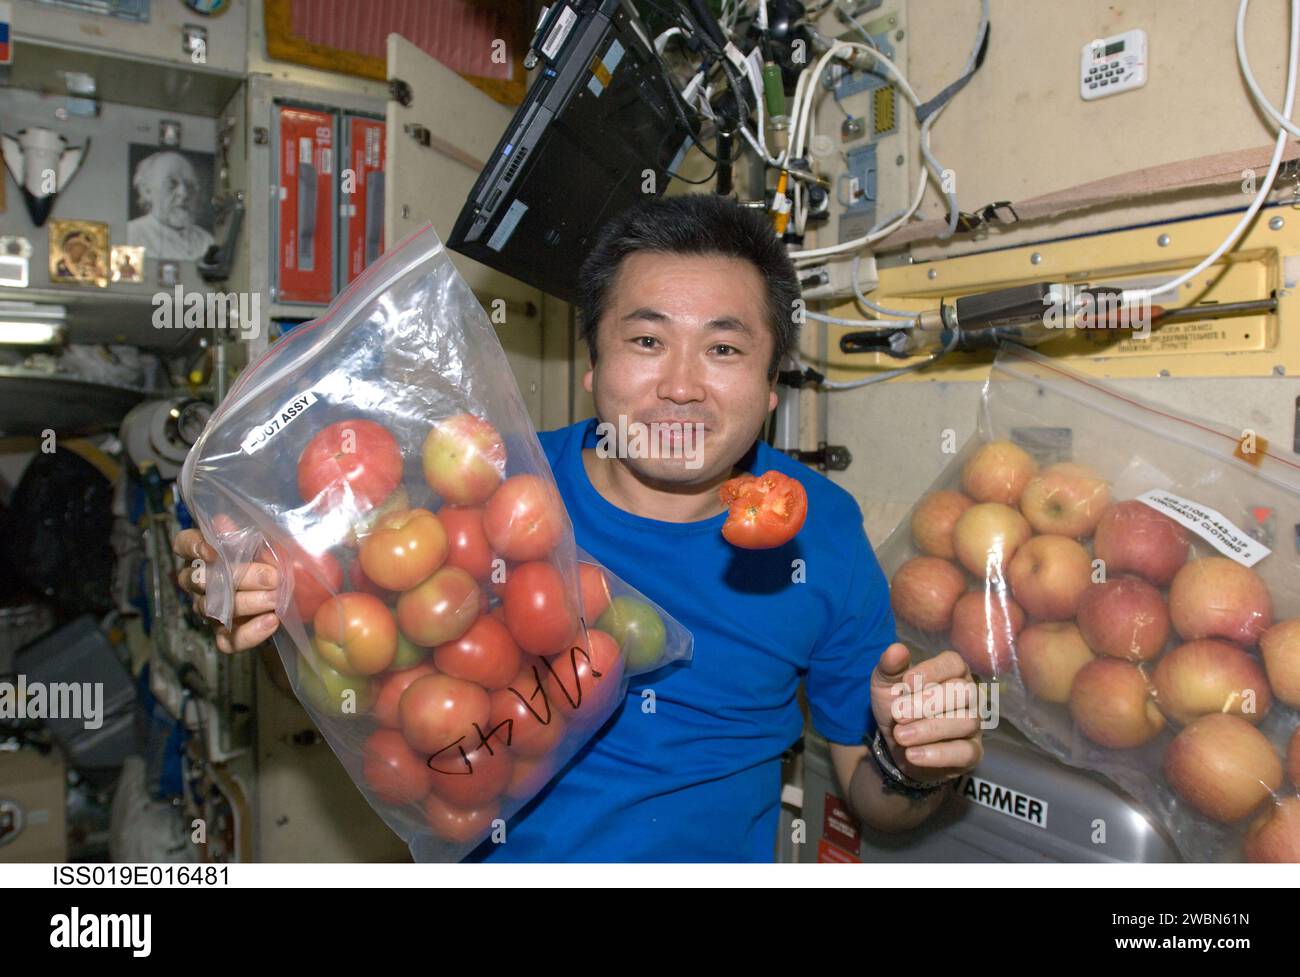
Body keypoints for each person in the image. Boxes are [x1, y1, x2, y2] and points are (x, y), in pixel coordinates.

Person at [174, 193, 983, 862]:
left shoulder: (824, 534)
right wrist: (267, 618)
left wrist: (911, 763)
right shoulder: (484, 494)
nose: (681, 386)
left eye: (725, 348)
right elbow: (358, 688)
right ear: (591, 364)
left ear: (771, 386)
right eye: (646, 339)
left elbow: (874, 801)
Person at [127, 150, 214, 261]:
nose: (184, 194)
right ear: (147, 191)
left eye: (190, 185)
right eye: (172, 183)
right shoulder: (132, 235)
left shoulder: (206, 240)